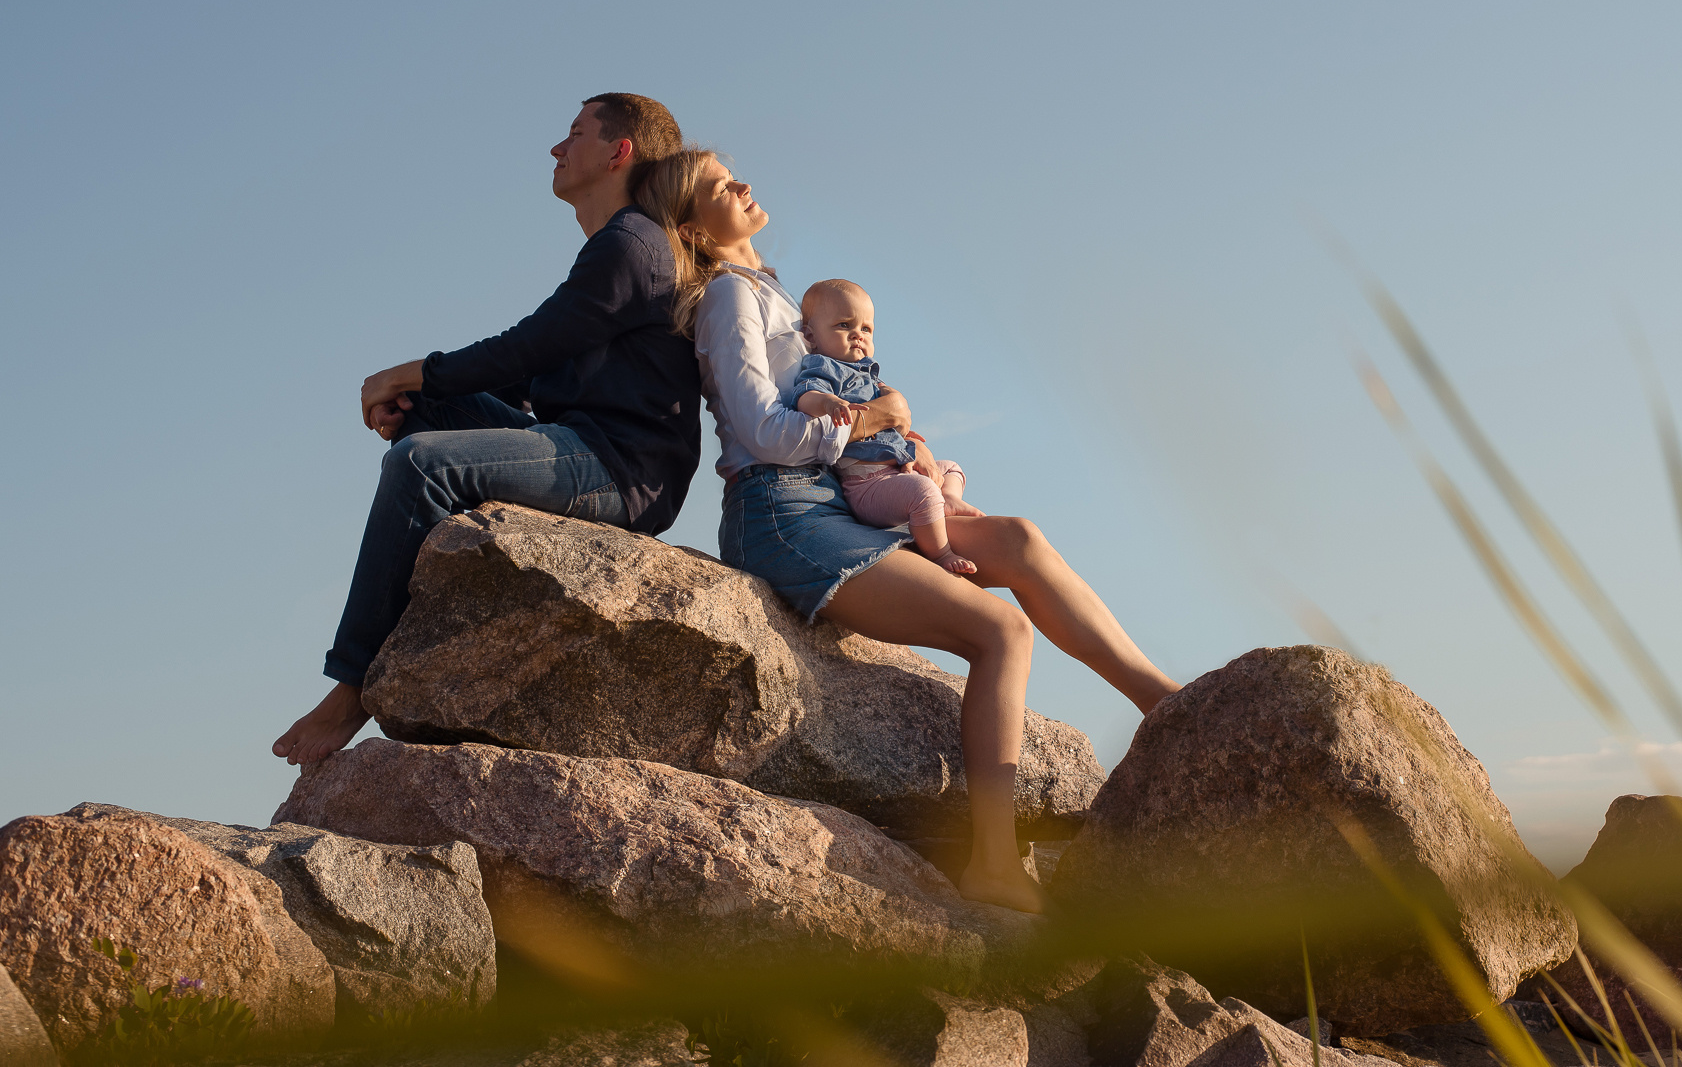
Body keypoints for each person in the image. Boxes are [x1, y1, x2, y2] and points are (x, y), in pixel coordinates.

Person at [641, 147, 1180, 915]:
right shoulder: (730, 298)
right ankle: (995, 863)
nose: (746, 183)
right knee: (1001, 630)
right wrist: (870, 419)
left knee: (1019, 538)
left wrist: (897, 445)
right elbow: (761, 430)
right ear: (694, 228)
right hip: (783, 512)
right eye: (723, 184)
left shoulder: (781, 296)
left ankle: (1162, 701)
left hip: (834, 494)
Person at [271, 93, 702, 765]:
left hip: (619, 467)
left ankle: (353, 683)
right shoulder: (622, 243)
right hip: (584, 442)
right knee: (426, 418)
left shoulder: (632, 243)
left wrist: (407, 371)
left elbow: (526, 346)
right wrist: (419, 394)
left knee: (421, 464)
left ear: (620, 151)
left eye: (575, 133)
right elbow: (538, 370)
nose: (557, 149)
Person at [788, 278, 978, 576]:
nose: (857, 336)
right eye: (843, 326)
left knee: (951, 468)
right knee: (923, 491)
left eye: (866, 329)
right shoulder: (823, 367)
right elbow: (806, 397)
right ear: (811, 335)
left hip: (898, 468)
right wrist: (828, 404)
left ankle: (949, 500)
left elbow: (896, 422)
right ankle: (941, 553)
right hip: (867, 483)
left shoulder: (870, 375)